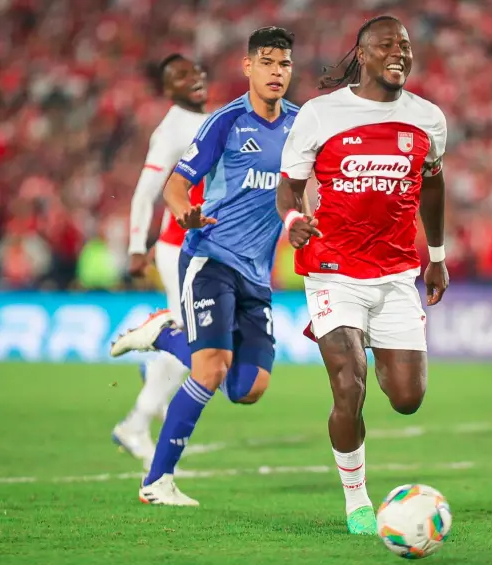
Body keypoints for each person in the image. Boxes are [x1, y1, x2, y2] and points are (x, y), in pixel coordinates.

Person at [110, 26, 302, 506]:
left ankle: (165, 333)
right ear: (248, 67)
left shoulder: (302, 125)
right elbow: (177, 184)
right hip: (211, 258)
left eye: (284, 64)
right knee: (209, 371)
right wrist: (183, 214)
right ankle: (157, 481)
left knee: (249, 388)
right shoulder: (225, 122)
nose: (276, 72)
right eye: (267, 62)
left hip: (258, 274)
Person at [276, 15, 449, 535]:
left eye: (406, 46)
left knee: (407, 399)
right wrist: (293, 220)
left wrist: (436, 255)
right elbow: (290, 185)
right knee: (347, 386)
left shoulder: (428, 118)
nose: (399, 53)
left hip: (396, 273)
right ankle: (357, 500)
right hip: (332, 269)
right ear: (362, 54)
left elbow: (434, 186)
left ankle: (374, 352)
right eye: (387, 46)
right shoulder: (321, 114)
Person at [113, 54, 209, 464]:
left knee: (198, 341)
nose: (195, 78)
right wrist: (137, 248)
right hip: (179, 248)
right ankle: (135, 424)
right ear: (167, 89)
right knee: (195, 340)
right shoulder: (171, 130)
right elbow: (144, 192)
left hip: (206, 246)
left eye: (196, 71)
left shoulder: (214, 117)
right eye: (181, 76)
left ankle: (156, 374)